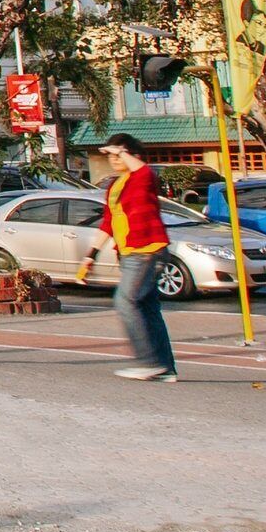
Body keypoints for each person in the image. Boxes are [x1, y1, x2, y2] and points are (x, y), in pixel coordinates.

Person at [91, 133, 178, 383]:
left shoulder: (143, 179)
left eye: (120, 155)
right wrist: (91, 255)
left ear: (132, 156)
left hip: (147, 250)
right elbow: (108, 222)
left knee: (126, 301)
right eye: (112, 156)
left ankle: (148, 362)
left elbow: (143, 171)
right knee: (148, 309)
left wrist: (121, 150)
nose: (114, 160)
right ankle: (164, 368)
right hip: (129, 253)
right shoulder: (115, 186)